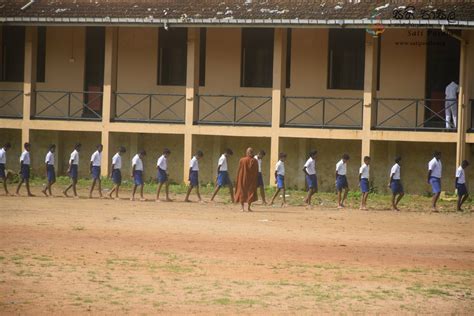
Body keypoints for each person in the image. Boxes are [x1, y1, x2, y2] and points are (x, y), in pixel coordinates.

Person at [235, 147, 259, 212]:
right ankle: (248, 208)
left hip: (243, 178)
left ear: (247, 153)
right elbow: (256, 171)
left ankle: (242, 208)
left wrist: (238, 178)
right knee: (250, 192)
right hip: (251, 180)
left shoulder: (242, 160)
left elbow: (239, 170)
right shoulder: (255, 161)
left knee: (242, 192)